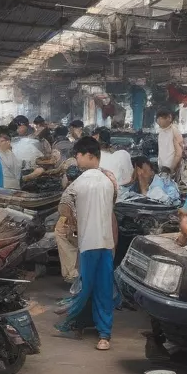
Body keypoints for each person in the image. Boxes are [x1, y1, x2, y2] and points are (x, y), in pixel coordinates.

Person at [54, 136, 118, 351]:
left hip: (88, 243)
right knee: (103, 289)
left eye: (78, 155)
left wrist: (73, 222)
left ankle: (72, 320)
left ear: (89, 155)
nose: (77, 160)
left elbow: (63, 205)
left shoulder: (79, 182)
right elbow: (111, 210)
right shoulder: (110, 179)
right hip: (107, 242)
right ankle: (104, 335)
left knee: (84, 287)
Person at [155, 104, 184, 182]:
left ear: (169, 118)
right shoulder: (161, 132)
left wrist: (172, 168)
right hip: (162, 168)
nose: (158, 121)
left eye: (160, 118)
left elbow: (179, 152)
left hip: (171, 169)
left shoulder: (174, 131)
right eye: (158, 118)